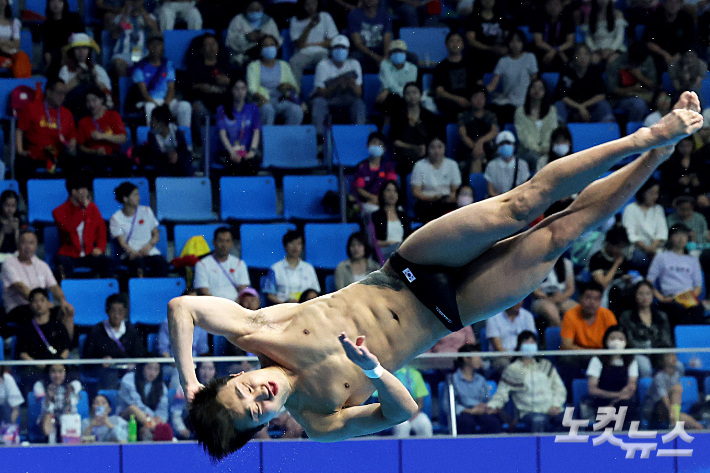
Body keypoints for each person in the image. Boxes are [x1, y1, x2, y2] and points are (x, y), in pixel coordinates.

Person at [170, 92, 703, 458]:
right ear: (262, 428)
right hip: (453, 309)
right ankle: (662, 152)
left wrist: (190, 380)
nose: (257, 395)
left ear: (236, 375)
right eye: (253, 412)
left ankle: (646, 136)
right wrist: (374, 370)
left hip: (410, 269)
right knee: (559, 236)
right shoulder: (321, 421)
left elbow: (183, 308)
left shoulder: (259, 330)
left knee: (521, 206)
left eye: (241, 390)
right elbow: (403, 411)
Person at [486, 331, 567, 432]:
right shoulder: (512, 369)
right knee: (539, 420)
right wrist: (492, 405)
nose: (530, 345)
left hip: (551, 409)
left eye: (532, 342)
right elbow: (502, 393)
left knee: (570, 420)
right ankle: (541, 448)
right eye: (526, 342)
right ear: (519, 346)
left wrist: (556, 404)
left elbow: (559, 388)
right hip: (528, 412)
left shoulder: (546, 365)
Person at [1, 229, 75, 338]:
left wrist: (62, 301)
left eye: (31, 243)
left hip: (41, 306)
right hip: (18, 308)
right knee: (38, 313)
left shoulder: (42, 265)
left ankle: (65, 349)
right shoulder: (9, 263)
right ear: (18, 244)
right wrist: (42, 303)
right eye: (24, 242)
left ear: (36, 246)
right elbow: (21, 288)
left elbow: (54, 287)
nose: (28, 246)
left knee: (66, 311)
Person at [15, 79, 77, 185]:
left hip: (58, 154)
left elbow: (72, 135)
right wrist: (20, 150)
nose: (62, 96)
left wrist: (72, 143)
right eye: (59, 93)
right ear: (48, 92)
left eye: (64, 93)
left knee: (74, 163)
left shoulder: (67, 113)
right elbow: (20, 130)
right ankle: (27, 199)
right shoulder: (32, 108)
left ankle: (70, 198)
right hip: (35, 153)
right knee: (22, 163)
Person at [52, 178, 114, 280]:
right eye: (83, 189)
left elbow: (101, 231)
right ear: (73, 191)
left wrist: (100, 248)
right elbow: (70, 227)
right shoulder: (59, 211)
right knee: (62, 263)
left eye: (86, 188)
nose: (86, 192)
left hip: (89, 253)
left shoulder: (92, 208)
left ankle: (106, 292)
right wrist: (83, 210)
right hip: (69, 254)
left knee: (108, 262)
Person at [82, 294, 146, 390]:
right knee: (110, 374)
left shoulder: (132, 330)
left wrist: (132, 362)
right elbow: (87, 357)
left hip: (127, 369)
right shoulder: (96, 331)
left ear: (125, 312)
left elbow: (139, 353)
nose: (116, 315)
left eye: (120, 311)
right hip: (105, 371)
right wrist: (101, 361)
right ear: (107, 311)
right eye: (113, 311)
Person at [646, 223, 704, 327]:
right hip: (670, 298)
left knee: (698, 309)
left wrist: (688, 298)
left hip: (688, 297)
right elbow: (648, 282)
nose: (681, 238)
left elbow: (698, 286)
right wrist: (661, 298)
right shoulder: (661, 257)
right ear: (671, 237)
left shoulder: (692, 260)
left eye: (684, 235)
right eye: (677, 235)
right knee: (679, 311)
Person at [15, 289, 72, 390]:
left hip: (57, 365)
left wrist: (58, 363)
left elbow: (66, 349)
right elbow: (22, 353)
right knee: (29, 375)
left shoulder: (58, 325)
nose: (39, 304)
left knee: (73, 374)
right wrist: (36, 363)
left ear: (49, 303)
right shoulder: (26, 328)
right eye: (35, 301)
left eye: (42, 300)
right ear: (30, 305)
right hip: (36, 366)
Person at [132, 33, 192, 128]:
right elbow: (144, 94)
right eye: (153, 44)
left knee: (185, 106)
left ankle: (184, 138)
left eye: (159, 44)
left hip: (167, 102)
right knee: (149, 108)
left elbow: (171, 88)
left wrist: (165, 105)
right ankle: (153, 138)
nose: (156, 47)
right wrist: (158, 107)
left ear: (163, 46)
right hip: (151, 101)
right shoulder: (139, 67)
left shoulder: (168, 64)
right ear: (147, 46)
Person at [109, 182, 168, 278]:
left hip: (149, 252)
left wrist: (148, 247)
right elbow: (122, 243)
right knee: (138, 264)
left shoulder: (146, 211)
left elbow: (156, 235)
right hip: (131, 254)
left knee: (161, 262)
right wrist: (133, 252)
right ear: (125, 198)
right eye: (135, 195)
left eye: (138, 194)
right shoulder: (116, 218)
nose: (139, 197)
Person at [311, 34, 366, 136]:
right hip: (329, 99)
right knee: (318, 103)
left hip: (347, 98)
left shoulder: (354, 64)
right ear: (331, 50)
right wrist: (338, 84)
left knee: (359, 104)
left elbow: (359, 93)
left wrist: (351, 85)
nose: (340, 50)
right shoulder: (323, 65)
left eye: (343, 48)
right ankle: (319, 138)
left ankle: (359, 134)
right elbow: (321, 93)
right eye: (337, 47)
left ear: (348, 50)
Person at [584, 325, 639, 425]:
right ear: (606, 341)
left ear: (626, 342)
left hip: (623, 402)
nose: (616, 342)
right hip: (602, 403)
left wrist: (614, 403)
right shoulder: (597, 360)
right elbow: (592, 390)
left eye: (620, 339)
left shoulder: (631, 361)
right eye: (612, 338)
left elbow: (631, 387)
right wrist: (615, 396)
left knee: (626, 407)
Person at [617, 280, 673, 378]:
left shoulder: (661, 316)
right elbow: (629, 340)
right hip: (638, 354)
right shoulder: (626, 316)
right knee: (645, 367)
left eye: (648, 293)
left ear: (652, 296)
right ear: (635, 295)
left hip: (658, 354)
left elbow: (666, 339)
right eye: (641, 294)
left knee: (678, 366)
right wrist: (646, 350)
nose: (645, 297)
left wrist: (660, 353)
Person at [485, 30, 539, 127]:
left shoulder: (530, 57)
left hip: (524, 101)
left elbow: (534, 83)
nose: (515, 44)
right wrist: (480, 93)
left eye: (518, 41)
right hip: (507, 101)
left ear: (523, 42)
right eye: (512, 41)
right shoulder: (503, 61)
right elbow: (492, 85)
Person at [247, 35, 303, 126]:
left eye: (272, 45)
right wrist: (262, 99)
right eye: (266, 45)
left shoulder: (283, 65)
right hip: (262, 101)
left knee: (296, 110)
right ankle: (266, 138)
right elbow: (252, 89)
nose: (269, 48)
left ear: (277, 48)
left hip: (281, 101)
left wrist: (288, 87)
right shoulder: (254, 66)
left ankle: (289, 138)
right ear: (261, 49)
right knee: (267, 109)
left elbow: (295, 87)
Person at [553, 43, 615, 124]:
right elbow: (562, 96)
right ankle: (559, 130)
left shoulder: (595, 70)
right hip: (571, 108)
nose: (583, 57)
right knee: (559, 105)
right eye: (579, 54)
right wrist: (579, 107)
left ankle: (607, 131)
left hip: (589, 109)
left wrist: (583, 106)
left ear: (590, 57)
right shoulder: (566, 70)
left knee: (603, 106)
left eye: (586, 54)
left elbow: (601, 95)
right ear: (574, 57)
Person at [76, 87, 130, 178]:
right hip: (94, 155)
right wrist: (95, 151)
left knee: (123, 161)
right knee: (97, 162)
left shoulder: (113, 115)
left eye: (94, 100)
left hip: (113, 153)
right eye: (88, 101)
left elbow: (122, 138)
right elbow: (81, 146)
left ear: (101, 100)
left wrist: (102, 136)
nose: (91, 105)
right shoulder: (83, 122)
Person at [389, 82, 439, 176]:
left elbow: (434, 138)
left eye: (415, 92)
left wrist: (426, 148)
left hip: (426, 153)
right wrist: (413, 148)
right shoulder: (398, 116)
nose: (412, 96)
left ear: (420, 95)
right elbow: (395, 141)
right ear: (404, 96)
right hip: (405, 154)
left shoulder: (429, 116)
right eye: (408, 93)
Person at [449, 344, 502, 434]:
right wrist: (469, 411)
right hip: (464, 413)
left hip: (480, 412)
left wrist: (487, 407)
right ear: (466, 359)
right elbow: (448, 404)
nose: (480, 360)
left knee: (493, 422)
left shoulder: (481, 379)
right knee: (467, 422)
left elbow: (487, 399)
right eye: (477, 357)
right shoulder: (453, 379)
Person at [58, 33, 111, 120]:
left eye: (84, 48)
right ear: (73, 51)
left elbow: (107, 93)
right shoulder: (65, 70)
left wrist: (95, 79)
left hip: (95, 108)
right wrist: (76, 79)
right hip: (74, 108)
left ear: (89, 51)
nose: (81, 52)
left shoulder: (98, 69)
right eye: (78, 49)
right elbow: (60, 92)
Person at [642, 352, 703, 429]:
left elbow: (676, 397)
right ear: (661, 360)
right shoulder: (659, 377)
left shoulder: (676, 375)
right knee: (676, 389)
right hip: (656, 414)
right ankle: (674, 420)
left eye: (674, 354)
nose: (674, 357)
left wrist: (674, 414)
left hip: (671, 413)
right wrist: (673, 413)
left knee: (697, 426)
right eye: (668, 355)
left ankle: (674, 421)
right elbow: (664, 399)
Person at [216, 77, 262, 176]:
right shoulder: (222, 109)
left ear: (246, 90)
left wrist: (252, 152)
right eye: (236, 88)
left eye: (243, 88)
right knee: (235, 164)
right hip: (228, 151)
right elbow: (222, 134)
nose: (240, 92)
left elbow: (256, 132)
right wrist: (232, 152)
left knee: (251, 162)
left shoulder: (253, 108)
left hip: (247, 151)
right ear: (232, 90)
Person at [621, 179, 668, 275]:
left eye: (656, 193)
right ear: (643, 192)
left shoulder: (658, 209)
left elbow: (662, 231)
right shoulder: (630, 208)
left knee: (664, 259)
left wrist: (652, 247)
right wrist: (646, 248)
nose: (655, 196)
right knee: (641, 258)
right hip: (636, 248)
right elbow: (629, 232)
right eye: (651, 193)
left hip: (655, 247)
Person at [410, 136, 462, 223]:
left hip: (446, 201)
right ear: (427, 149)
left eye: (439, 147)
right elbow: (416, 192)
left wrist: (447, 198)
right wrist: (431, 199)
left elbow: (455, 191)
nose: (436, 151)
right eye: (432, 147)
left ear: (445, 148)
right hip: (426, 201)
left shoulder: (452, 165)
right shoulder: (419, 165)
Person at [262, 229, 320, 304]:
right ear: (285, 246)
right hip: (283, 308)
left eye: (298, 244)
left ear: (302, 247)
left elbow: (315, 293)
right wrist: (284, 304)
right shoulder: (275, 269)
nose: (295, 247)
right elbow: (270, 294)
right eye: (291, 243)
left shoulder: (309, 268)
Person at [185, 33, 231, 127]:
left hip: (223, 100)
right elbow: (187, 86)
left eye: (214, 44)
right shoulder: (195, 67)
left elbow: (237, 83)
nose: (212, 47)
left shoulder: (225, 65)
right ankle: (200, 138)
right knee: (198, 109)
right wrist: (200, 86)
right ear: (202, 49)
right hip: (203, 101)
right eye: (208, 44)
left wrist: (228, 81)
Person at [116, 362, 170, 441]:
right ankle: (156, 430)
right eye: (149, 368)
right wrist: (152, 418)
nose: (152, 373)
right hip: (126, 416)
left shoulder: (161, 386)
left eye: (156, 370)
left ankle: (153, 429)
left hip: (147, 421)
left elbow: (163, 409)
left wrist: (159, 418)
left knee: (153, 423)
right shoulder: (128, 379)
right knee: (133, 408)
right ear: (142, 367)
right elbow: (136, 404)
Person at [288, 0, 338, 86]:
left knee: (326, 64)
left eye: (313, 3)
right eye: (308, 4)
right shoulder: (295, 20)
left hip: (322, 52)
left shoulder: (325, 16)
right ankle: (295, 94)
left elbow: (331, 41)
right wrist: (309, 26)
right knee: (293, 62)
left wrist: (310, 44)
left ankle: (323, 92)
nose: (311, 7)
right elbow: (299, 44)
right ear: (303, 5)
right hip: (303, 53)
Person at [194, 227, 251, 301]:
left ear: (232, 243)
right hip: (212, 304)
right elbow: (203, 290)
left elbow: (243, 288)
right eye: (221, 241)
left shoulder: (239, 264)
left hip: (235, 304)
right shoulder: (202, 264)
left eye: (227, 241)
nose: (224, 245)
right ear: (214, 242)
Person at [514, 78, 558, 173]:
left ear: (545, 92)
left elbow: (553, 131)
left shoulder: (551, 111)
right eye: (534, 87)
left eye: (541, 88)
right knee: (536, 158)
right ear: (529, 90)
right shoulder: (520, 112)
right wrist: (538, 150)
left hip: (547, 150)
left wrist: (546, 148)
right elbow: (523, 136)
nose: (537, 91)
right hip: (527, 151)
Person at [588, 225, 634, 313]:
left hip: (619, 290)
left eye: (622, 247)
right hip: (602, 292)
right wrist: (616, 265)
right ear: (608, 243)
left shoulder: (623, 259)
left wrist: (626, 279)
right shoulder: (597, 258)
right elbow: (603, 284)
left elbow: (623, 275)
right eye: (617, 247)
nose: (620, 250)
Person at [432, 32, 476, 123]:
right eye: (452, 41)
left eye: (458, 41)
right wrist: (458, 99)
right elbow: (439, 91)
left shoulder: (471, 64)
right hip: (451, 102)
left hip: (469, 100)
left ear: (463, 44)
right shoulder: (441, 67)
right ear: (446, 45)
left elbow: (479, 85)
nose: (455, 44)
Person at [560, 282, 618, 351]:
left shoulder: (608, 315)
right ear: (580, 299)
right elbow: (567, 345)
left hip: (601, 354)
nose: (592, 302)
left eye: (596, 299)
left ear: (600, 301)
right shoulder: (570, 315)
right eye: (588, 298)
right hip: (579, 354)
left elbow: (614, 340)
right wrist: (590, 354)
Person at [642, 0, 695, 75]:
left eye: (677, 2)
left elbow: (690, 41)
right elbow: (648, 41)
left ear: (681, 4)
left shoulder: (687, 18)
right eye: (670, 1)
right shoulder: (655, 17)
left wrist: (678, 55)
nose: (673, 5)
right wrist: (665, 54)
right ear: (664, 3)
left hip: (680, 54)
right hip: (659, 55)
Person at [109, 0, 160, 78]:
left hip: (141, 52)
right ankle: (124, 87)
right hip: (124, 53)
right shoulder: (120, 18)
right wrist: (126, 11)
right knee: (118, 63)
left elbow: (155, 31)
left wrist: (141, 9)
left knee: (146, 64)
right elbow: (114, 35)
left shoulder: (148, 17)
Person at [225, 0, 282, 69]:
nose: (255, 12)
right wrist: (246, 38)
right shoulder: (237, 20)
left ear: (262, 8)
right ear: (246, 9)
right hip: (241, 62)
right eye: (252, 9)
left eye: (257, 9)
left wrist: (265, 38)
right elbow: (229, 43)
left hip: (265, 61)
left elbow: (277, 42)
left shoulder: (269, 21)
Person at [34, 364, 81, 442]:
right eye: (53, 372)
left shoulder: (74, 384)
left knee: (68, 415)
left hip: (67, 418)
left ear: (65, 372)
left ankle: (69, 445)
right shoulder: (40, 385)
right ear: (48, 372)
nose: (57, 375)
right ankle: (50, 444)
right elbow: (45, 409)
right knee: (48, 416)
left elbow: (71, 407)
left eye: (60, 371)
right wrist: (49, 397)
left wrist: (68, 394)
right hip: (47, 419)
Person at [457, 85, 499, 174]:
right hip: (470, 149)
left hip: (488, 149)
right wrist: (476, 148)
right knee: (476, 159)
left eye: (482, 97)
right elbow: (463, 135)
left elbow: (494, 131)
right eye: (476, 97)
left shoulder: (490, 115)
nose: (479, 100)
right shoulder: (463, 116)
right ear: (470, 99)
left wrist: (480, 142)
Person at [143, 105, 194, 176]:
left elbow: (183, 148)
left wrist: (177, 155)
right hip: (163, 159)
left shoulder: (176, 132)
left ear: (161, 123)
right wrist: (168, 155)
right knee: (158, 162)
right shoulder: (152, 135)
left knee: (186, 159)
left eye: (153, 120)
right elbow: (155, 152)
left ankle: (190, 181)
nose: (151, 123)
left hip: (177, 160)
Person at [351, 132, 397, 212]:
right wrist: (373, 198)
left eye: (380, 144)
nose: (376, 146)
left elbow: (392, 183)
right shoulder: (361, 167)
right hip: (368, 201)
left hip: (386, 200)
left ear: (384, 149)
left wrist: (383, 200)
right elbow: (359, 189)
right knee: (374, 210)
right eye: (374, 143)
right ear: (368, 145)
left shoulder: (388, 166)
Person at [485, 301, 537, 372]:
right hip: (502, 357)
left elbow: (531, 341)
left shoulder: (527, 316)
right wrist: (515, 358)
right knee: (506, 365)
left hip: (523, 355)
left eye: (521, 299)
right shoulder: (493, 317)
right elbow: (498, 347)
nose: (519, 303)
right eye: (515, 300)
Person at [464, 0, 510, 76]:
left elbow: (508, 38)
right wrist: (490, 48)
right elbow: (471, 41)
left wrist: (505, 48)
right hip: (478, 58)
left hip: (499, 58)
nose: (488, 0)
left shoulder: (501, 18)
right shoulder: (472, 18)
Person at [346, 0, 392, 74]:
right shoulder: (354, 15)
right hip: (364, 52)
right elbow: (358, 43)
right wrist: (377, 58)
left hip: (380, 50)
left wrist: (385, 58)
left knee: (406, 56)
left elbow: (387, 39)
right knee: (354, 59)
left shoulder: (385, 15)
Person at [375, 39, 417, 118]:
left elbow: (409, 88)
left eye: (401, 51)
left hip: (406, 99)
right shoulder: (384, 65)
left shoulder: (412, 68)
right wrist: (392, 90)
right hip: (388, 99)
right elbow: (389, 84)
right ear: (390, 54)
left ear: (406, 54)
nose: (398, 54)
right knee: (393, 99)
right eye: (395, 52)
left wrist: (388, 90)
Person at [371, 181, 412, 261]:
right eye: (388, 190)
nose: (392, 194)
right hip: (384, 252)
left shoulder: (404, 216)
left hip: (402, 251)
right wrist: (391, 243)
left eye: (395, 191)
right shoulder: (375, 216)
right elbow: (373, 242)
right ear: (382, 194)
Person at [41, 0, 84, 77]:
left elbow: (81, 38)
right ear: (48, 4)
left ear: (64, 3)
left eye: (59, 1)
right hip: (57, 56)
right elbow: (47, 49)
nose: (56, 4)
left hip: (75, 51)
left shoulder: (74, 18)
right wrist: (48, 63)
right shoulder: (46, 25)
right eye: (52, 1)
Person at [531, 256, 576, 327]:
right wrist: (549, 298)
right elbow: (534, 289)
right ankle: (562, 333)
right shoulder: (535, 264)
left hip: (561, 298)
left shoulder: (566, 263)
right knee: (550, 309)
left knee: (576, 309)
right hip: (542, 299)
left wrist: (559, 298)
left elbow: (570, 288)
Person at [531, 0, 576, 72]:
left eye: (556, 4)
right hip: (545, 51)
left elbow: (570, 42)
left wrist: (557, 50)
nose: (553, 7)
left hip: (562, 50)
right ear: (546, 6)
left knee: (570, 56)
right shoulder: (539, 18)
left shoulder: (568, 19)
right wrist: (553, 50)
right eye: (550, 4)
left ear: (561, 7)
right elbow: (538, 42)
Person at [388, 365, 432, 438]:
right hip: (395, 415)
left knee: (425, 423)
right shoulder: (386, 375)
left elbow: (420, 402)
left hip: (414, 413)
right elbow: (382, 401)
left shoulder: (415, 374)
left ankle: (426, 449)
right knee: (403, 426)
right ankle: (400, 449)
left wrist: (412, 414)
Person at [484, 131, 530, 198]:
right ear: (497, 148)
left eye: (508, 143)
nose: (505, 146)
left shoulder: (522, 165)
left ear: (514, 146)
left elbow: (524, 189)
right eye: (502, 144)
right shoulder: (491, 165)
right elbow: (491, 191)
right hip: (497, 200)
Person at [584, 0, 627, 66]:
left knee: (612, 60)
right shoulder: (591, 16)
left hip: (615, 48)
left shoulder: (617, 14)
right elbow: (588, 37)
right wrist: (594, 48)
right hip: (597, 49)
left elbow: (620, 36)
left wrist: (611, 49)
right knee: (592, 60)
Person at [0, 0, 30, 78]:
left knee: (22, 56)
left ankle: (23, 86)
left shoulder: (14, 22)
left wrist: (2, 42)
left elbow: (16, 44)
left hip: (9, 52)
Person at [0, 189, 21, 259]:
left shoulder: (18, 221)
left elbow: (20, 248)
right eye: (7, 205)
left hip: (14, 256)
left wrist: (16, 230)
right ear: (1, 204)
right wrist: (2, 232)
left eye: (13, 206)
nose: (10, 209)